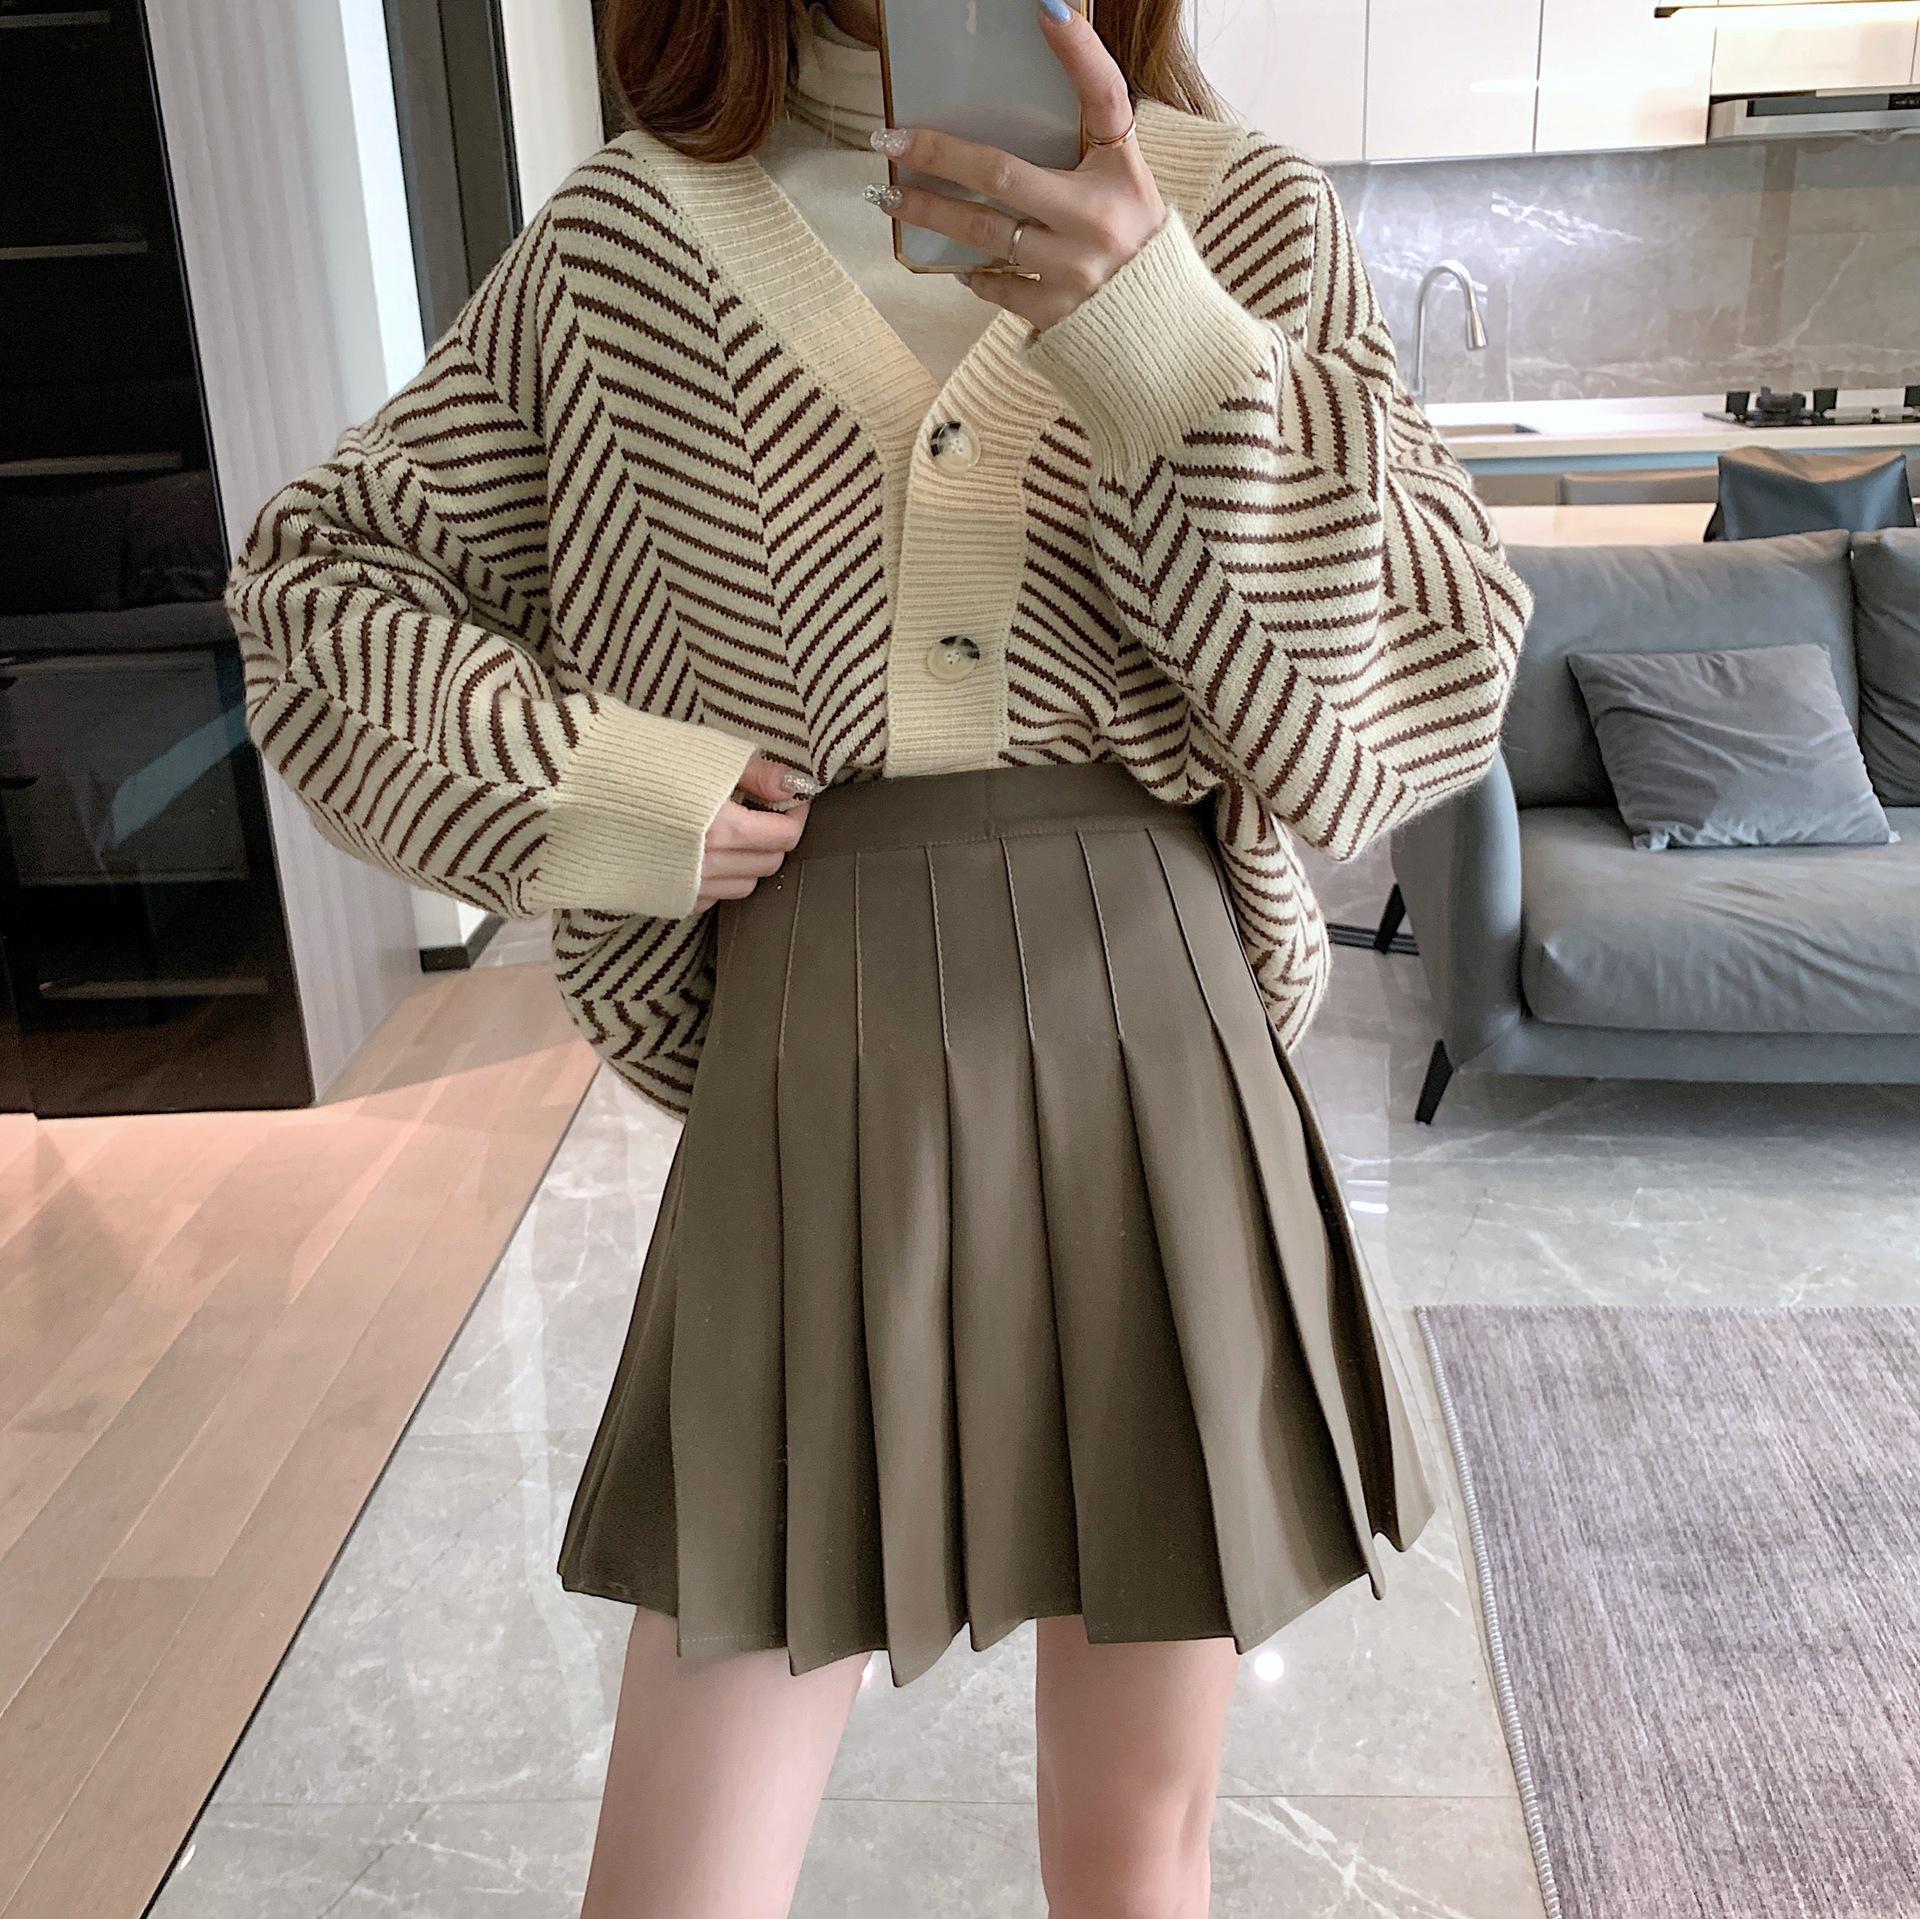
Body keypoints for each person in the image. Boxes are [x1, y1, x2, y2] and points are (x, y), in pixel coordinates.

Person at [222, 1, 1534, 1912]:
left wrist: (1165, 338)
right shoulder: (630, 241)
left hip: (1162, 1039)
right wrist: (600, 786)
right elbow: (317, 590)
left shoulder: (1240, 213)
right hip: (813, 1046)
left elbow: (1425, 685)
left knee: (1137, 1848)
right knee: (679, 1874)